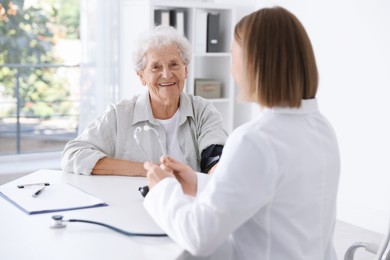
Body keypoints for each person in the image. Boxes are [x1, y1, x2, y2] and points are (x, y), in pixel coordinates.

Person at [143, 6, 340, 260]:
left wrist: (162, 189)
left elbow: (198, 235)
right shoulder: (321, 128)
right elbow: (269, 189)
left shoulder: (254, 140)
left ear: (254, 64)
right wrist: (198, 182)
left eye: (234, 57)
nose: (231, 70)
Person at [61, 26, 227, 176]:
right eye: (156, 67)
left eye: (174, 64)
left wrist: (220, 173)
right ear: (141, 76)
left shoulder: (203, 111)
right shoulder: (119, 115)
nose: (167, 74)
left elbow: (215, 159)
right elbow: (73, 154)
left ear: (186, 70)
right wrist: (145, 168)